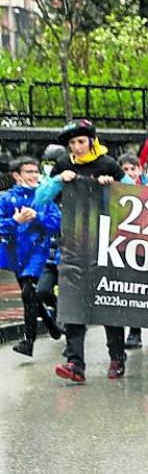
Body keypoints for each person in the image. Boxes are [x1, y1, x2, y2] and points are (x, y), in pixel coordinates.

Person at [46, 119, 127, 382]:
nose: (77, 147)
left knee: (108, 301)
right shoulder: (63, 166)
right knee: (73, 302)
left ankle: (117, 356)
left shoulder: (108, 165)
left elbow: (137, 195)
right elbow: (41, 198)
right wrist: (58, 181)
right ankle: (75, 363)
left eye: (81, 141)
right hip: (74, 243)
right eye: (71, 143)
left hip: (107, 242)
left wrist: (113, 186)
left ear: (91, 141)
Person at [0, 156, 62, 356]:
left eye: (36, 172)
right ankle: (51, 325)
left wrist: (38, 217)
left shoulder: (44, 197)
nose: (34, 176)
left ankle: (28, 341)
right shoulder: (6, 198)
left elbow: (56, 223)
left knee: (28, 290)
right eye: (29, 172)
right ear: (17, 175)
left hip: (38, 250)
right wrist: (15, 221)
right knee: (30, 294)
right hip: (15, 252)